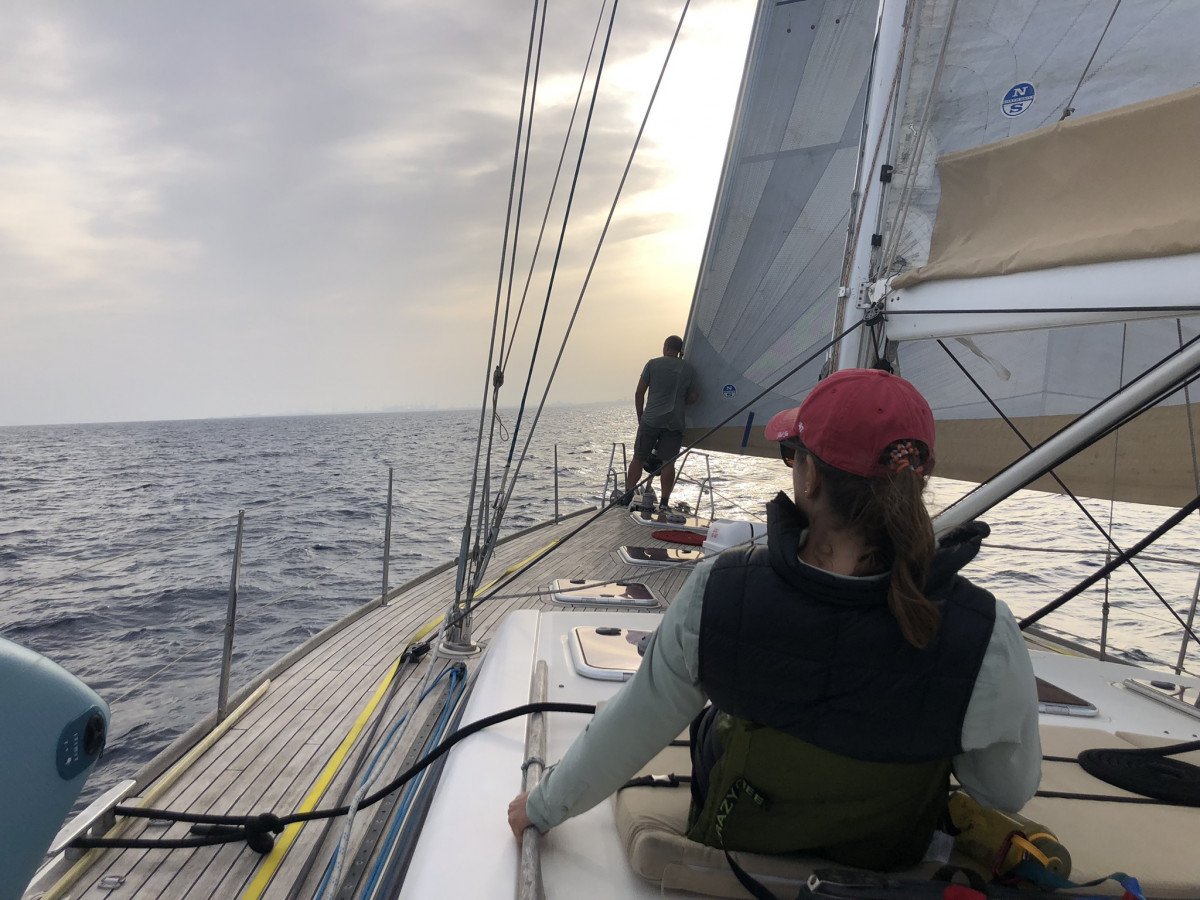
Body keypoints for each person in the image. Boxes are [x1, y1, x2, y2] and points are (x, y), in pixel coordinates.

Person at [508, 368, 1041, 871]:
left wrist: (543, 805)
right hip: (890, 860)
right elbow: (1003, 789)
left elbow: (633, 726)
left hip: (735, 850)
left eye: (793, 453)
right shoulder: (984, 631)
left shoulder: (721, 593)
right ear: (916, 481)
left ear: (809, 478)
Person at [621, 334, 697, 511]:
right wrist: (679, 402)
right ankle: (663, 503)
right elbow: (693, 397)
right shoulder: (688, 369)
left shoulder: (652, 364)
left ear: (665, 347)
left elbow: (639, 393)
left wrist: (641, 417)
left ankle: (627, 496)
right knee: (668, 462)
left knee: (638, 458)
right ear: (680, 351)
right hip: (675, 421)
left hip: (651, 419)